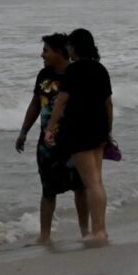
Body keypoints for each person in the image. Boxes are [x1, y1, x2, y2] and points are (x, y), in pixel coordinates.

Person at [16, 33, 88, 244]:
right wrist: (23, 131)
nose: (42, 55)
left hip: (74, 140)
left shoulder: (76, 74)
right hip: (47, 143)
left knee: (80, 187)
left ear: (59, 52)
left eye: (46, 50)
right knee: (48, 189)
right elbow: (35, 104)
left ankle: (85, 232)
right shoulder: (43, 75)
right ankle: (44, 236)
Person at [45, 28, 113, 245]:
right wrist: (108, 131)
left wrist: (50, 128)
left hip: (79, 130)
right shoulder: (101, 69)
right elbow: (108, 104)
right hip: (99, 129)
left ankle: (98, 231)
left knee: (90, 182)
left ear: (75, 47)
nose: (68, 50)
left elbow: (61, 102)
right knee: (98, 182)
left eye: (70, 46)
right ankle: (101, 229)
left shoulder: (74, 70)